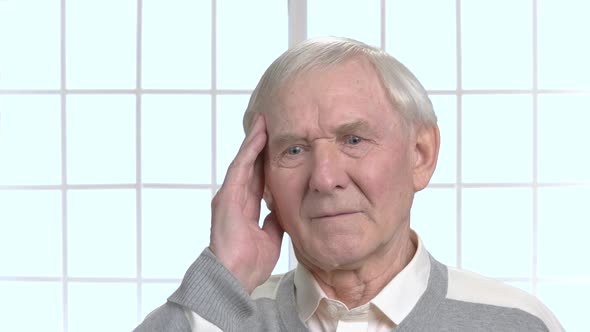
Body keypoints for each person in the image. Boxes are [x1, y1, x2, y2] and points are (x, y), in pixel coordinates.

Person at [135, 36, 564, 331]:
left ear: (421, 154)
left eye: (354, 139)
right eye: (294, 150)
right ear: (261, 180)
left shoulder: (515, 323)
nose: (324, 178)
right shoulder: (216, 317)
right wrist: (223, 275)